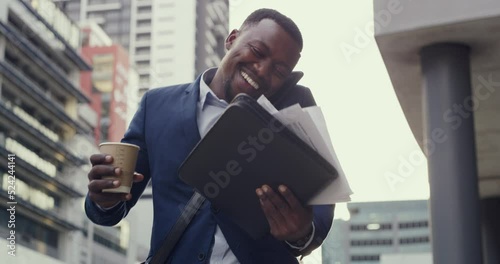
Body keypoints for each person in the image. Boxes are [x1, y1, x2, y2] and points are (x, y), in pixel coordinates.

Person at [85, 8, 334, 264]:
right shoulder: (156, 106)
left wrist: (302, 234)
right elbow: (113, 203)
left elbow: (326, 192)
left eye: (280, 71)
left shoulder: (294, 107)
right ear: (231, 38)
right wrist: (104, 198)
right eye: (258, 52)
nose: (261, 70)